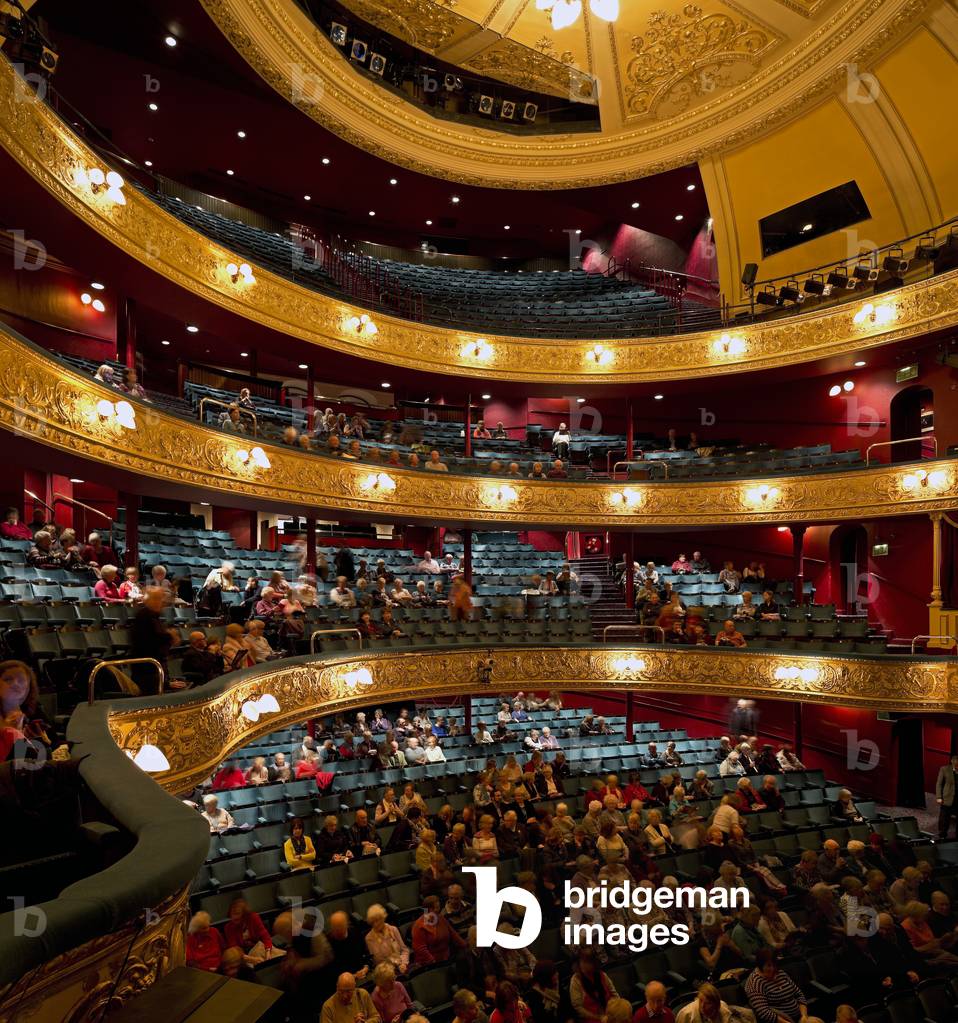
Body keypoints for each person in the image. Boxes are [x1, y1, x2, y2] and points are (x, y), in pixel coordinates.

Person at [0, 660, 52, 763]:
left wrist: (38, 739)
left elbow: (51, 749)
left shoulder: (35, 710)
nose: (15, 684)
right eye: (8, 680)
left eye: (21, 680)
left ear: (28, 687)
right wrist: (15, 733)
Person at [743, 949, 807, 1023]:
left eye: (774, 965)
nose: (772, 969)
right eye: (769, 965)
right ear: (761, 965)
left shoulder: (781, 973)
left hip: (800, 1016)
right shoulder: (756, 982)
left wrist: (804, 1016)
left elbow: (799, 994)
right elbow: (763, 1012)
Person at [569, 949, 617, 1023]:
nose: (583, 965)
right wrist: (598, 1017)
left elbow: (613, 993)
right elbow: (578, 1007)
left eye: (587, 962)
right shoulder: (576, 981)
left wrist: (618, 1006)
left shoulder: (602, 975)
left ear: (594, 964)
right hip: (591, 1018)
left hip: (609, 1013)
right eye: (582, 961)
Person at [365, 903, 410, 974]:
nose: (376, 924)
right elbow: (378, 961)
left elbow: (404, 950)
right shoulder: (369, 938)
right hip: (386, 971)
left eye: (378, 920)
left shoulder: (393, 929)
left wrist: (403, 963)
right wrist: (398, 964)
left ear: (383, 918)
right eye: (373, 921)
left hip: (402, 966)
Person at [935, 753, 958, 839]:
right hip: (947, 798)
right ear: (952, 762)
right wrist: (938, 797)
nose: (956, 767)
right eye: (955, 765)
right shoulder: (944, 769)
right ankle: (942, 836)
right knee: (944, 819)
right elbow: (939, 784)